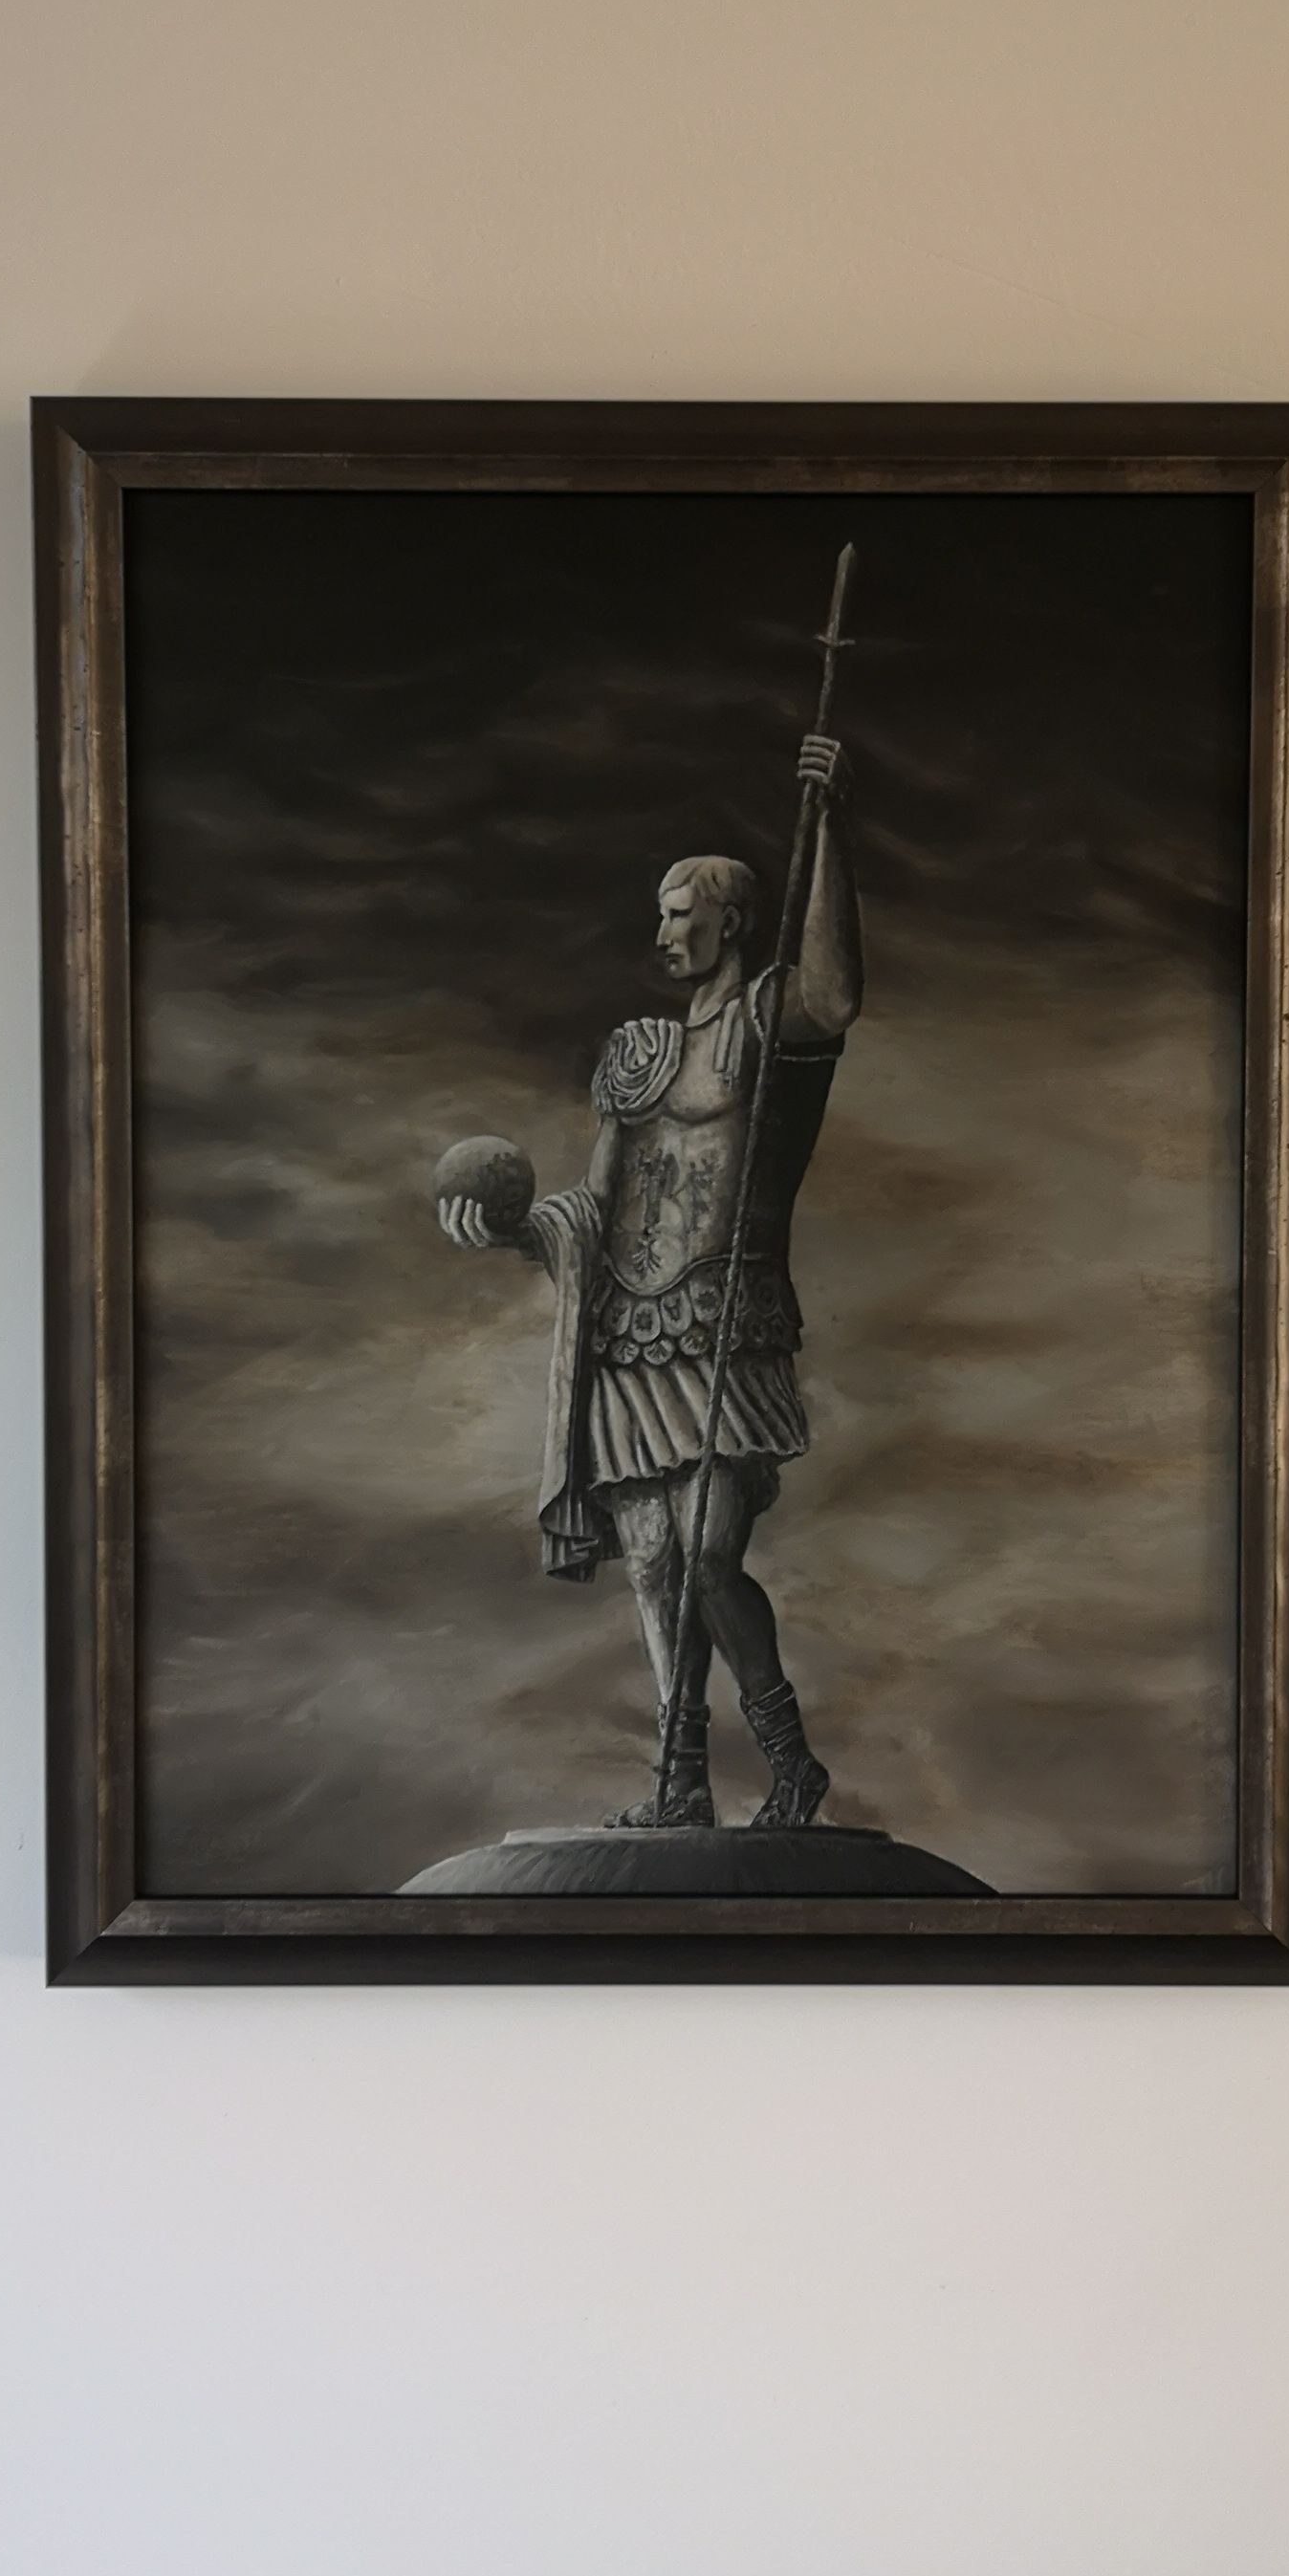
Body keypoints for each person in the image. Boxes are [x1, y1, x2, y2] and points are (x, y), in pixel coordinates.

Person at [440, 734, 861, 1828]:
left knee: (713, 1556)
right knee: (654, 1565)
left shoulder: (766, 1022)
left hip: (724, 1325)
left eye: (682, 914)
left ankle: (790, 1761)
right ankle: (680, 1783)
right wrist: (516, 1231)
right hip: (631, 1337)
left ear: (733, 920)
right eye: (662, 915)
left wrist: (827, 826)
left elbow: (834, 996)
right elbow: (597, 1205)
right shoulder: (637, 1054)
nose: (665, 933)